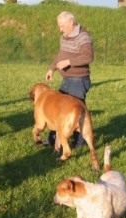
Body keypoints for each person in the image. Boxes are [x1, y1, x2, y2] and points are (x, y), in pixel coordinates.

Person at [45, 11, 94, 148]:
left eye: (63, 26)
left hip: (78, 80)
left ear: (72, 23)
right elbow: (60, 55)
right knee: (58, 110)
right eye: (59, 26)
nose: (60, 29)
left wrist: (69, 62)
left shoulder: (83, 37)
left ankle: (78, 142)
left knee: (76, 111)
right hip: (67, 80)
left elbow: (88, 57)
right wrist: (51, 69)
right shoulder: (64, 37)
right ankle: (53, 139)